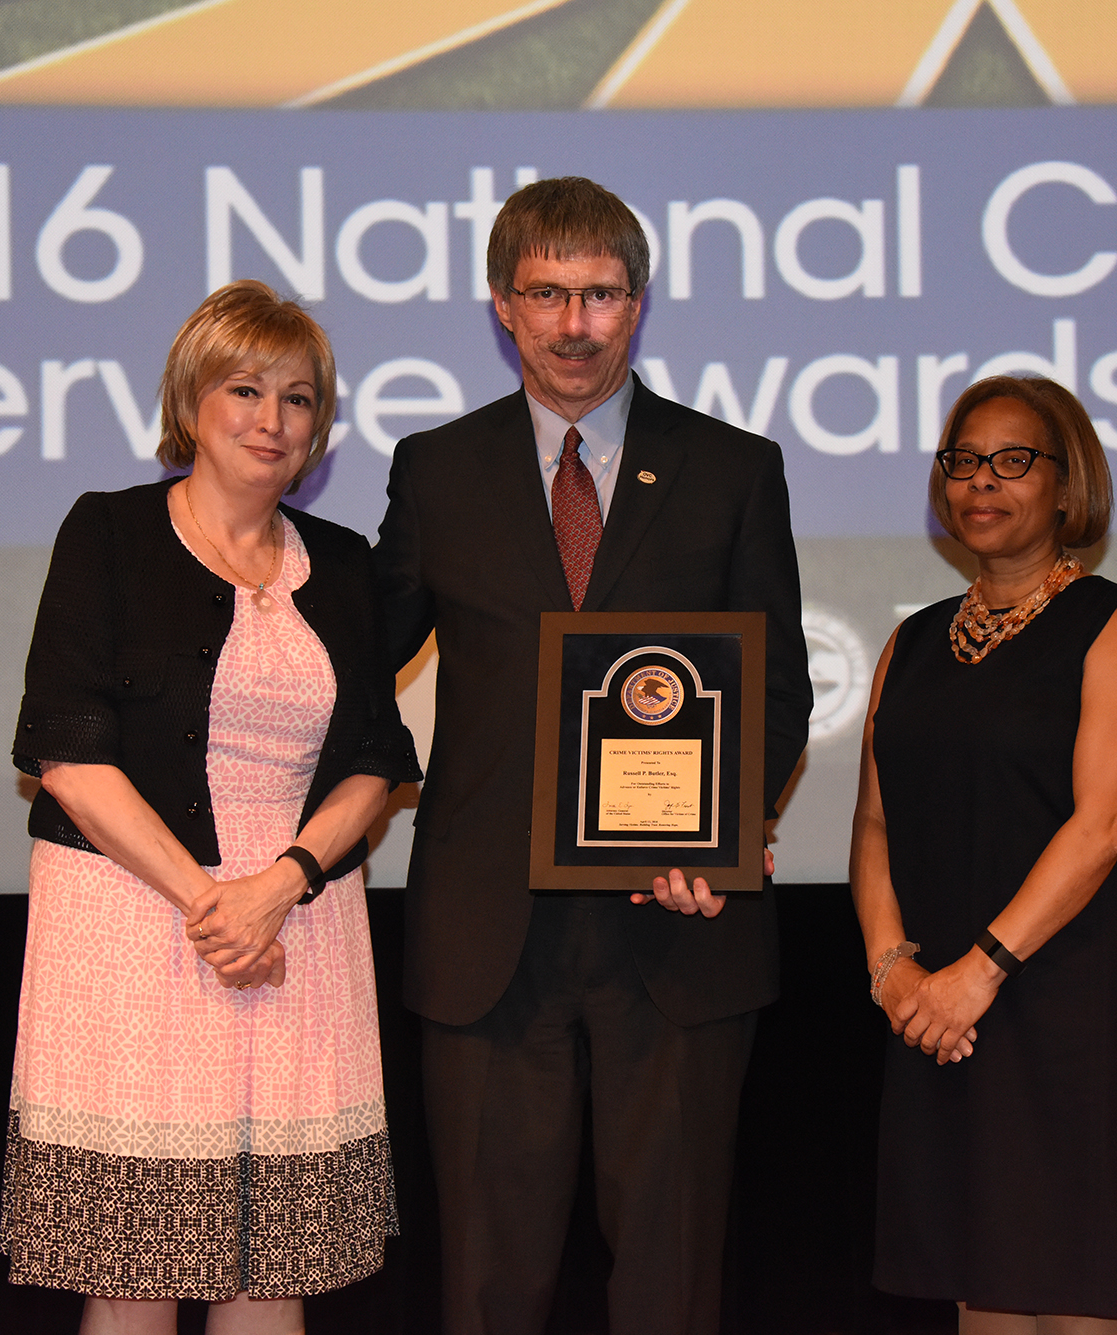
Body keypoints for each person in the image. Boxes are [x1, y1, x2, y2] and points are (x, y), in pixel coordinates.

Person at [373, 176, 813, 1335]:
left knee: (670, 1283)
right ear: (501, 306)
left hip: (675, 925)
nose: (574, 324)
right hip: (486, 937)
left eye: (600, 295)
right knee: (484, 1284)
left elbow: (772, 686)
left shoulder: (732, 467)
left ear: (638, 303)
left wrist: (717, 836)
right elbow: (361, 667)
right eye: (547, 294)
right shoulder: (436, 469)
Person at [2, 280, 421, 1334]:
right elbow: (67, 751)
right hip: (132, 921)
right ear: (193, 401)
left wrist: (276, 888)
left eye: (297, 399)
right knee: (135, 1273)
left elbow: (376, 758)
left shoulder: (348, 566)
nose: (272, 422)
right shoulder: (106, 534)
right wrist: (211, 903)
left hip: (296, 924)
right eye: (245, 390)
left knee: (267, 1268)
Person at [850, 376, 1117, 1335]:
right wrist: (894, 972)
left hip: (1068, 999)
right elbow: (874, 827)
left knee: (1073, 1294)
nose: (979, 482)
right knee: (980, 1285)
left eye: (1011, 461)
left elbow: (1108, 822)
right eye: (961, 461)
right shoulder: (910, 642)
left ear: (1068, 484)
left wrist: (978, 974)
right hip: (938, 1006)